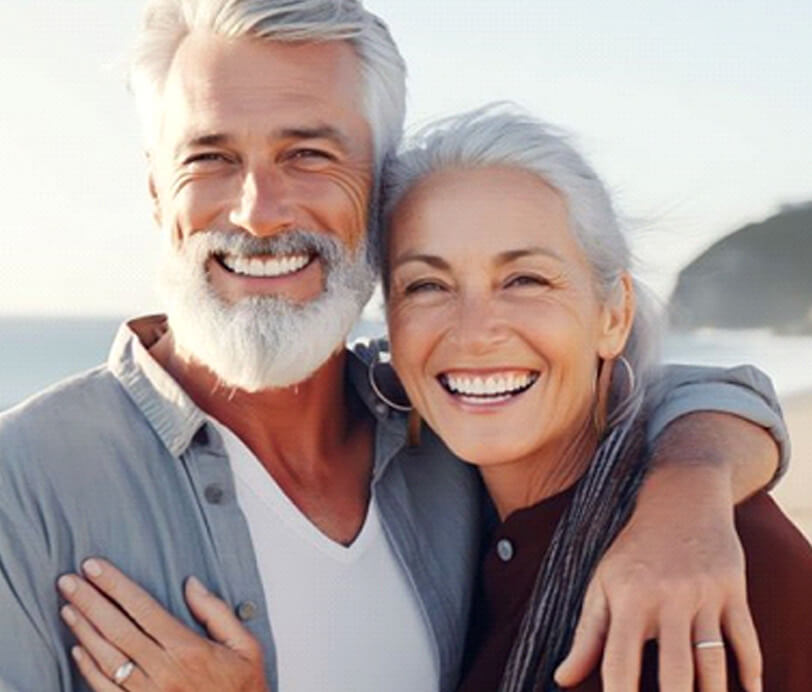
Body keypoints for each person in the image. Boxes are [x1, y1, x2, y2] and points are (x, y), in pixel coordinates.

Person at [0, 1, 787, 691]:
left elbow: (660, 392)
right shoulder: (25, 484)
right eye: (210, 157)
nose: (259, 210)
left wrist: (689, 489)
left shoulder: (438, 437)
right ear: (155, 193)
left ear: (378, 195)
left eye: (308, 153)